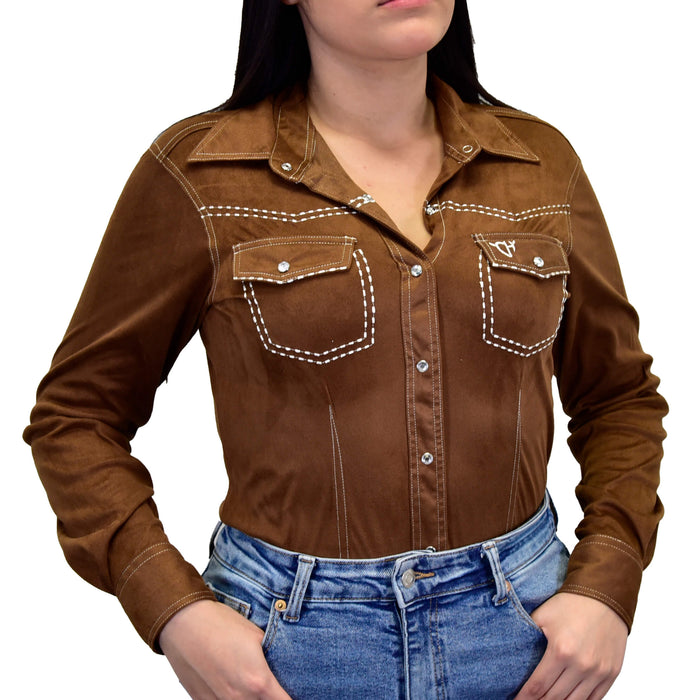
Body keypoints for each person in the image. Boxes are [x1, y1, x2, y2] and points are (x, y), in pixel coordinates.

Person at [23, 1, 667, 698]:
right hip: (287, 648)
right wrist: (173, 610)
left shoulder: (540, 165)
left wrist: (608, 581)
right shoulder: (201, 177)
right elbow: (76, 417)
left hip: (527, 638)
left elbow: (618, 397)